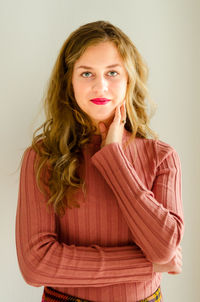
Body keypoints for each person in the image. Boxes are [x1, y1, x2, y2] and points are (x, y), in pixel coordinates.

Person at [15, 20, 184, 302]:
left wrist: (114, 160)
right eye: (86, 74)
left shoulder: (162, 157)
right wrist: (145, 264)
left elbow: (165, 249)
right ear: (69, 81)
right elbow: (36, 264)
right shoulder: (42, 156)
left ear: (129, 79)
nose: (100, 86)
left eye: (113, 72)